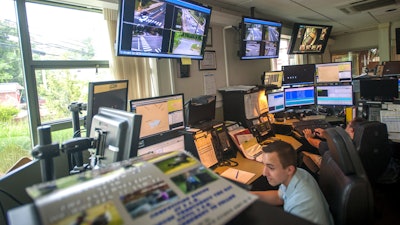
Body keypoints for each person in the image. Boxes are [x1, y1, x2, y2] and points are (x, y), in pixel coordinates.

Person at [251, 141, 334, 225]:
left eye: (271, 168)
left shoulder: (300, 205)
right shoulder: (298, 173)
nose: (264, 173)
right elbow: (280, 197)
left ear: (289, 170)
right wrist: (247, 196)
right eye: (264, 165)